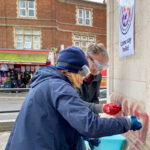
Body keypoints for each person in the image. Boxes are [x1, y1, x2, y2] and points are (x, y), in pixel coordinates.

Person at [5, 46, 142, 150]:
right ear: (75, 71)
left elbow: (66, 118)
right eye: (82, 74)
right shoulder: (60, 87)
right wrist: (126, 122)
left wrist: (80, 134)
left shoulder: (49, 82)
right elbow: (90, 125)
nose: (83, 79)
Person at [77, 43, 121, 115]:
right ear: (87, 58)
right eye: (97, 65)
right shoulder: (75, 75)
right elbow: (76, 103)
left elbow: (95, 98)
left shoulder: (97, 76)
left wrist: (96, 116)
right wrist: (102, 108)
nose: (99, 69)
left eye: (102, 67)